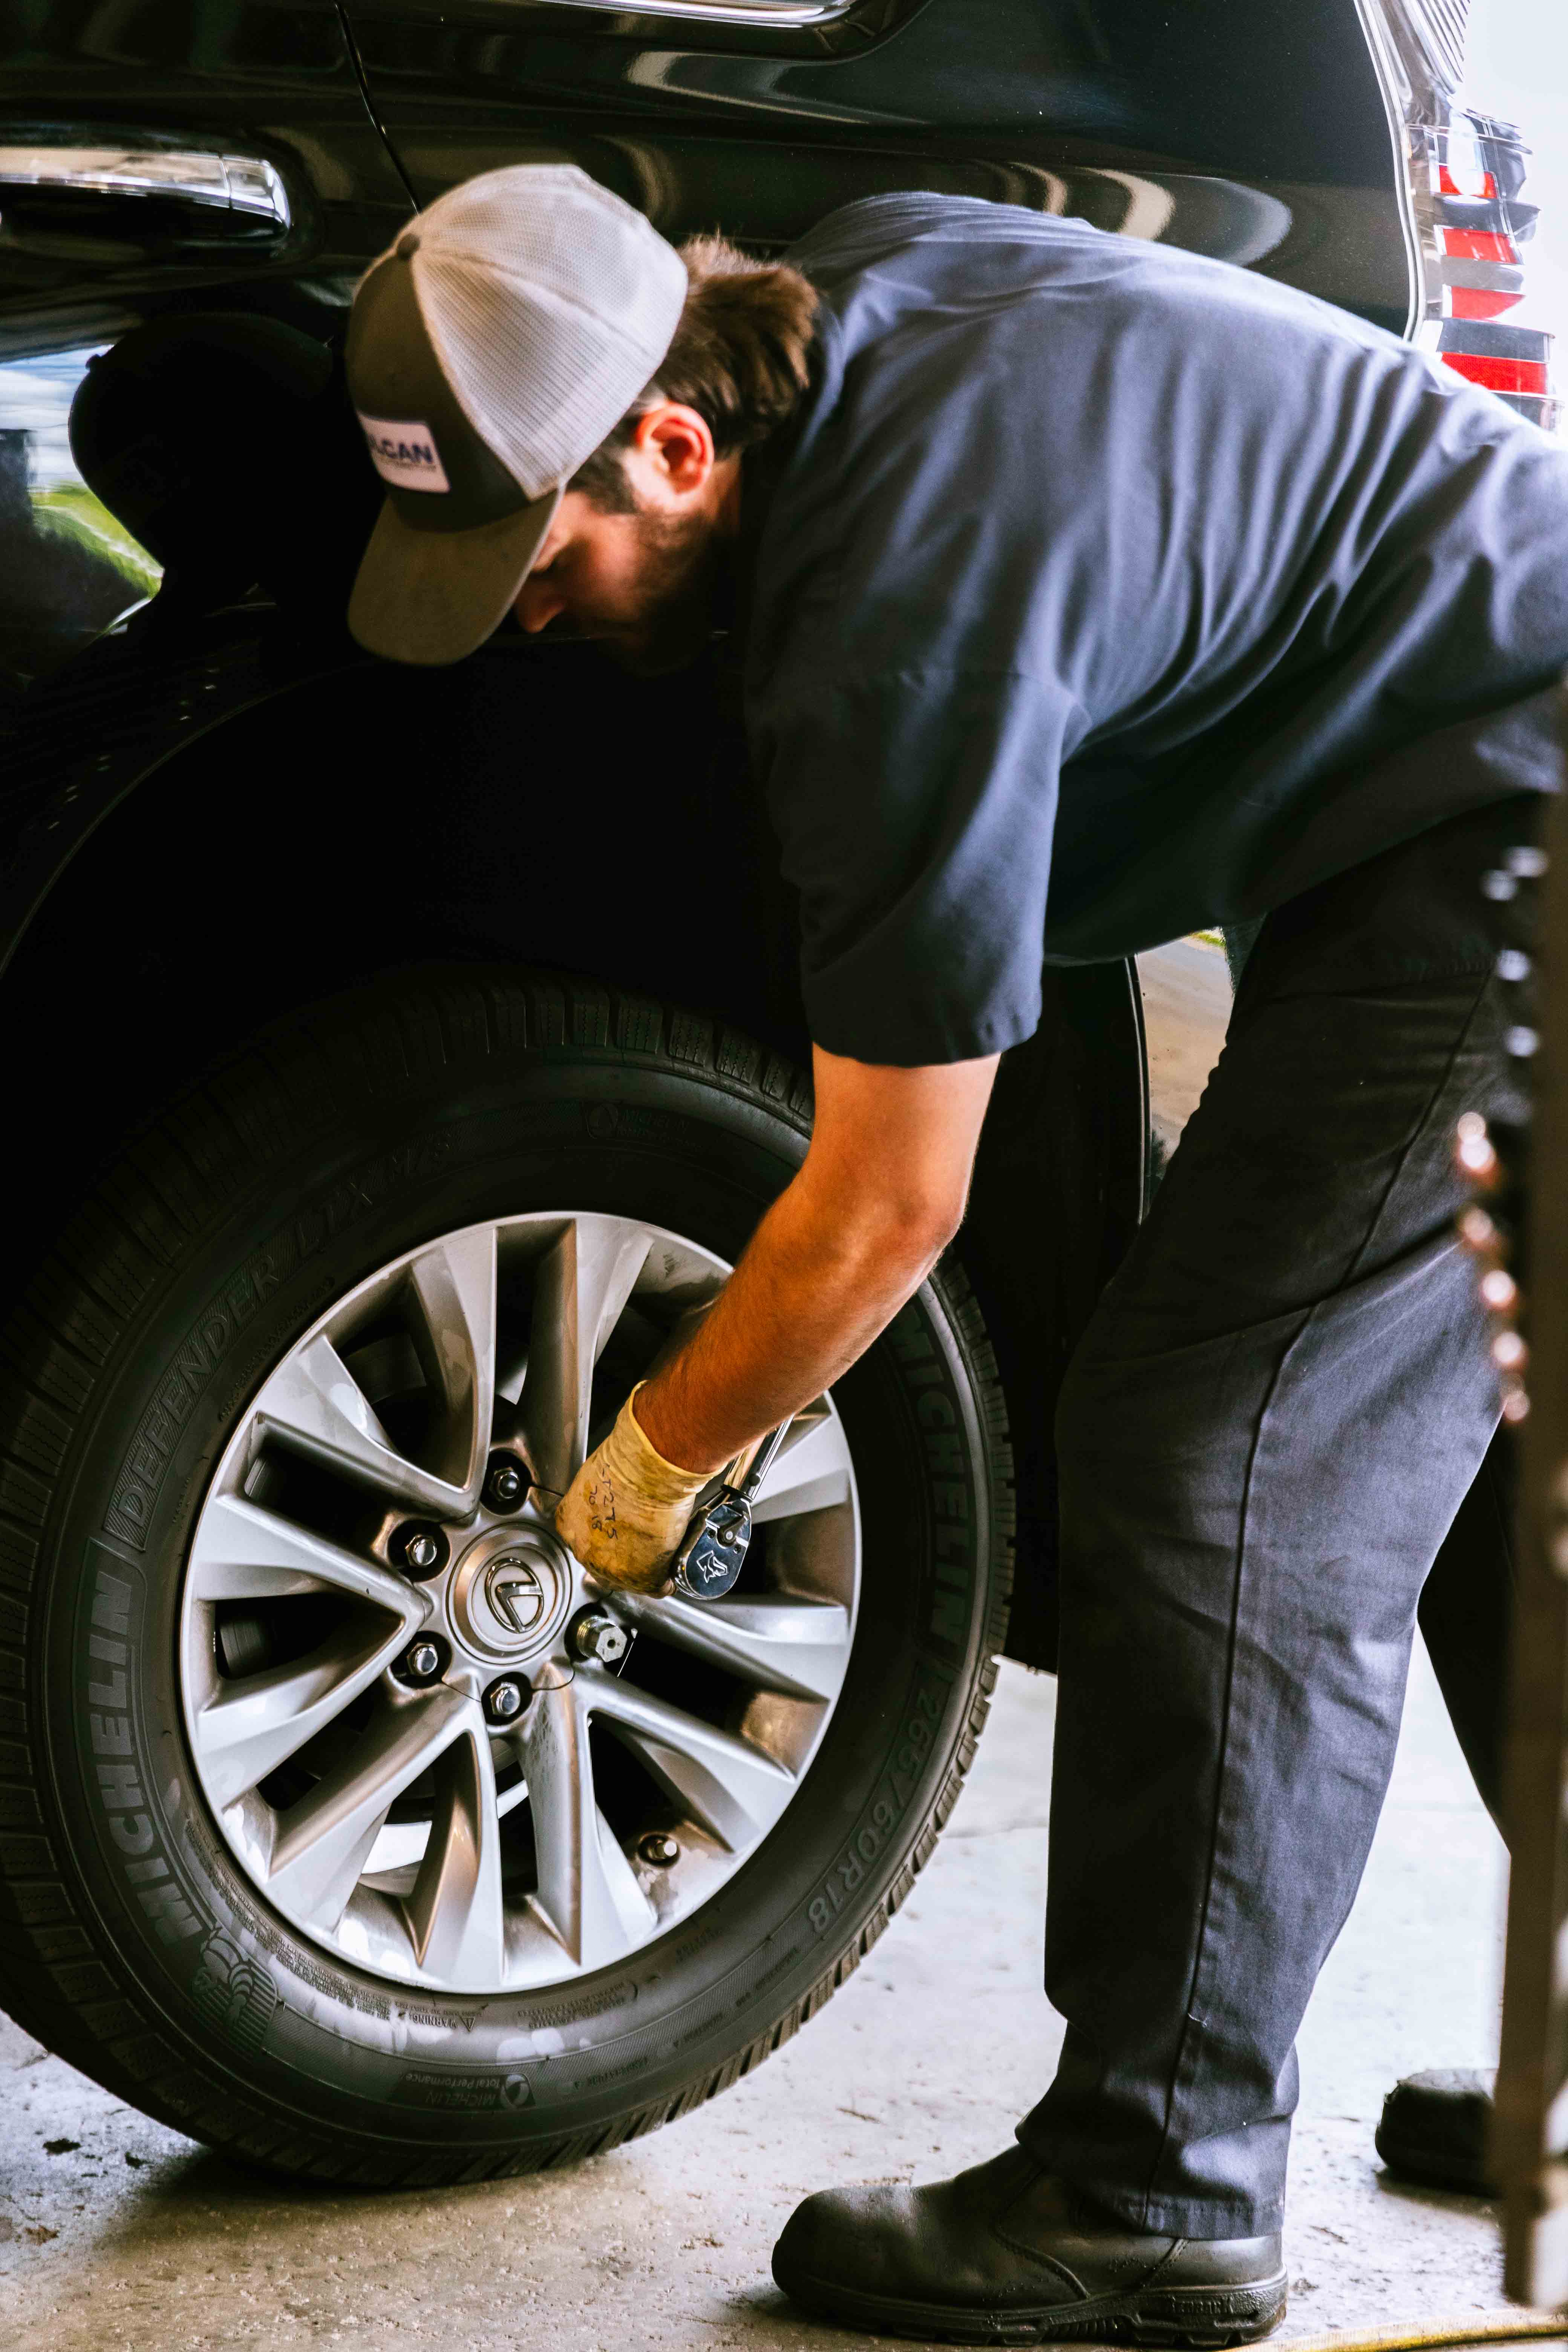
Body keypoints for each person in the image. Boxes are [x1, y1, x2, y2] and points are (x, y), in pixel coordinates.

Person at [343, 161, 1567, 2344]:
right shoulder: (865, 276)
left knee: (1221, 1459)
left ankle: (1155, 2192)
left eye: (544, 562)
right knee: (1455, 1478)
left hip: (1508, 823)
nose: (524, 615)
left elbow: (891, 1206)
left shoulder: (895, 607)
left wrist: (642, 1474)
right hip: (1453, 775)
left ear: (676, 444)